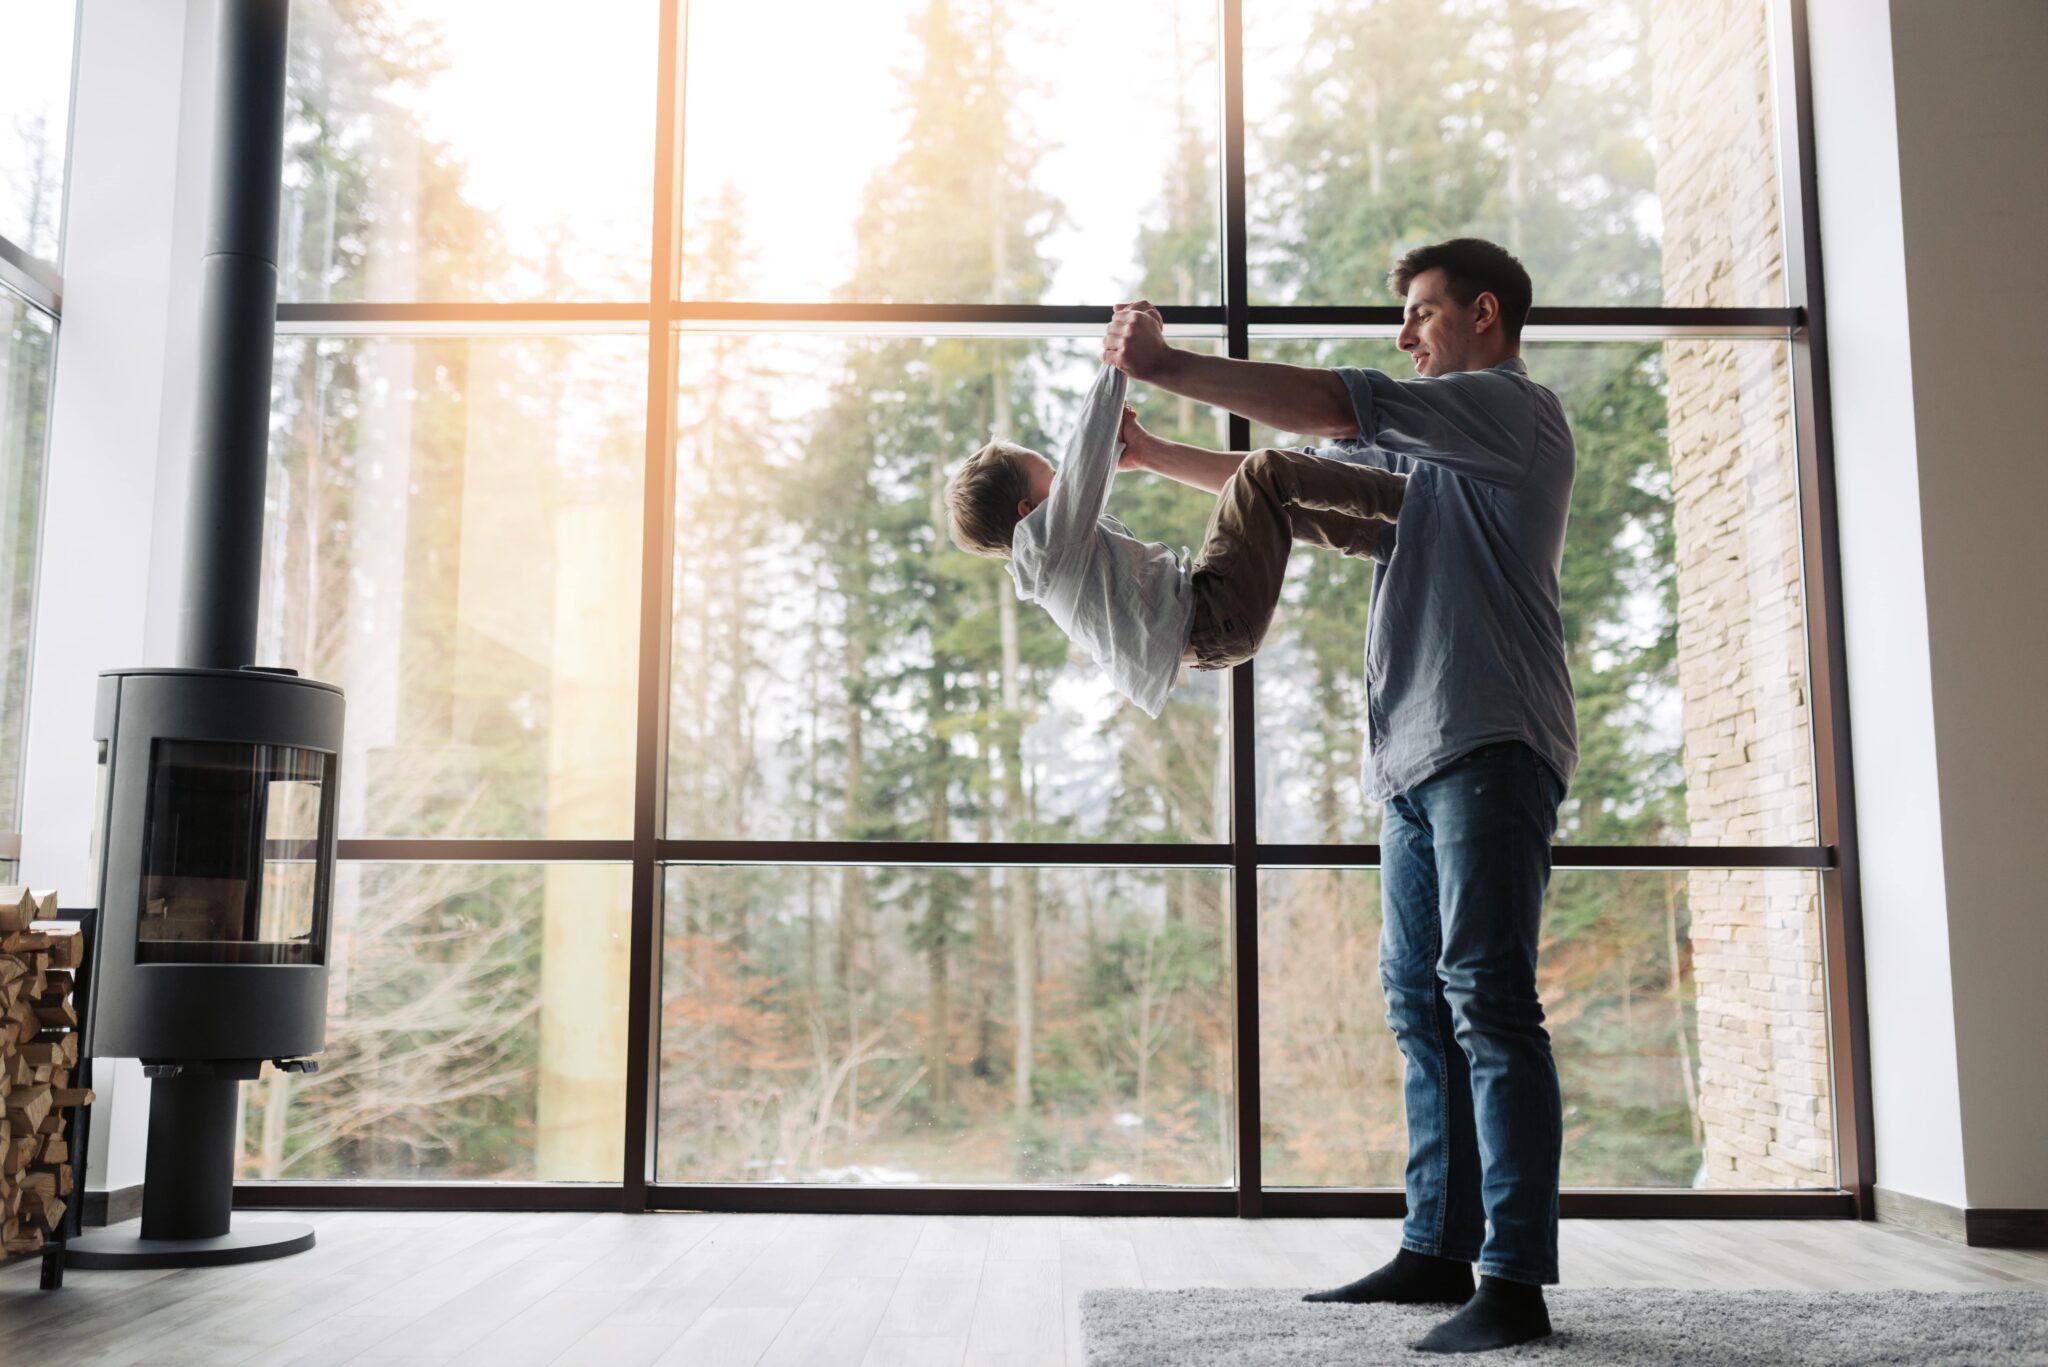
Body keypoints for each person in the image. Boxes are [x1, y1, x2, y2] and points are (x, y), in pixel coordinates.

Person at [1103, 237, 1576, 1355]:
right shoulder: (1437, 465)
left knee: (1490, 1004)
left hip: (1491, 739)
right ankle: (1435, 1247)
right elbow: (1296, 480)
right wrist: (1153, 451)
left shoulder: (1513, 417)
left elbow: (1327, 405)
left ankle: (1511, 1279)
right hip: (1411, 756)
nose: (1404, 335)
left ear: (1484, 314)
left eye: (1418, 313)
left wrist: (1169, 364)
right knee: (1419, 1008)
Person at [942, 363, 1407, 719]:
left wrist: (1119, 445)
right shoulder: (1046, 546)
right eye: (1051, 479)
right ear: (1027, 511)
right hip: (1212, 614)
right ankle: (1407, 498)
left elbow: (1088, 478)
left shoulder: (1055, 557)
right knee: (1263, 471)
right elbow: (1084, 460)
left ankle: (1381, 534)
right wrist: (1116, 362)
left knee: (1271, 501)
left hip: (1211, 621)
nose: (1063, 483)